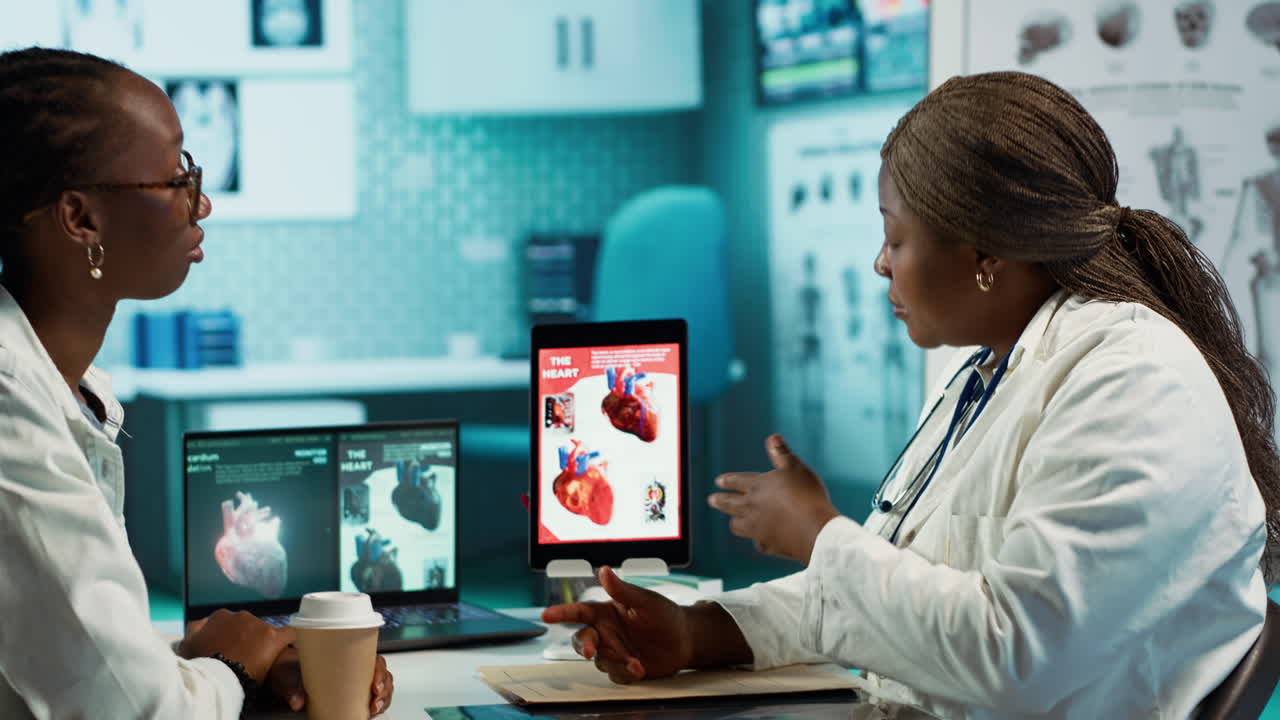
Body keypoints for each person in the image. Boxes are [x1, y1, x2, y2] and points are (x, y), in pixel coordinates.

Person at [544, 71, 1280, 718]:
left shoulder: (1132, 383)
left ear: (985, 251)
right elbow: (898, 593)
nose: (880, 263)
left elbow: (1016, 655)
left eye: (895, 239)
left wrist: (820, 534)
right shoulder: (988, 377)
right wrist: (699, 631)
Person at [0, 47, 393, 718]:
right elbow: (140, 711)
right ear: (81, 219)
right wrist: (232, 665)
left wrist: (215, 664)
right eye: (177, 178)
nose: (201, 202)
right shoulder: (12, 405)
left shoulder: (69, 388)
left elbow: (82, 659)